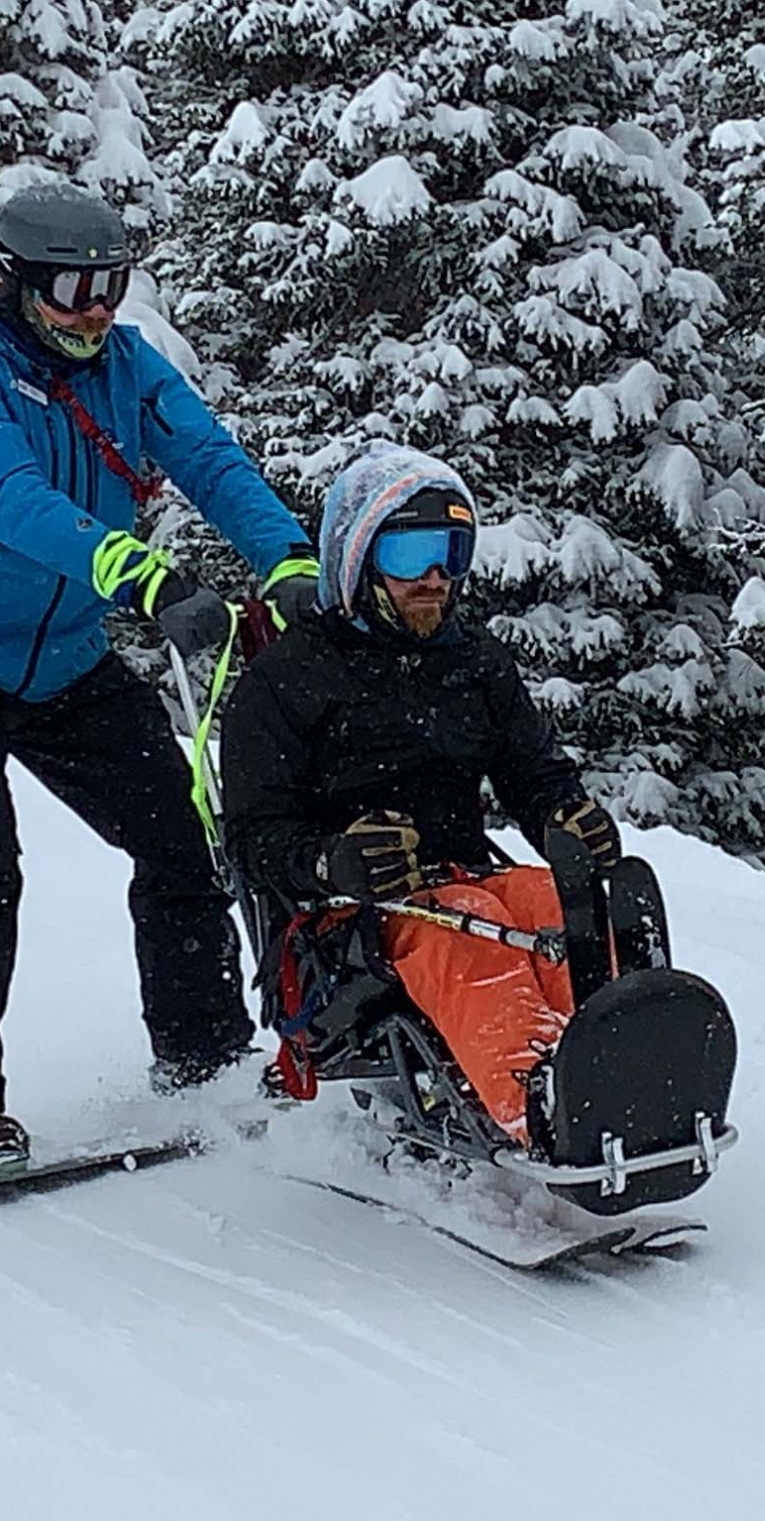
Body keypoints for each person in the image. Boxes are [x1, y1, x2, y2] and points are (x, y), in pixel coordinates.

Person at [0, 182, 321, 1179]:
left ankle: (200, 1056)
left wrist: (288, 563)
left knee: (179, 838)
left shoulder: (122, 365)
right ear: (14, 281)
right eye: (72, 289)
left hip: (65, 660)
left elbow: (208, 458)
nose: (95, 310)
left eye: (111, 286)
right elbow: (7, 499)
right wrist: (138, 573)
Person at [216, 447, 625, 1143]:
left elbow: (532, 772)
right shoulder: (285, 681)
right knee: (463, 921)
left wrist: (565, 816)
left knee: (551, 902)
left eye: (452, 553)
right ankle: (539, 1104)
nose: (435, 577)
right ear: (358, 559)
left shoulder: (472, 663)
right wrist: (329, 861)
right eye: (412, 554)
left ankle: (619, 1076)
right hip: (340, 927)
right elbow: (252, 841)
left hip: (464, 876)